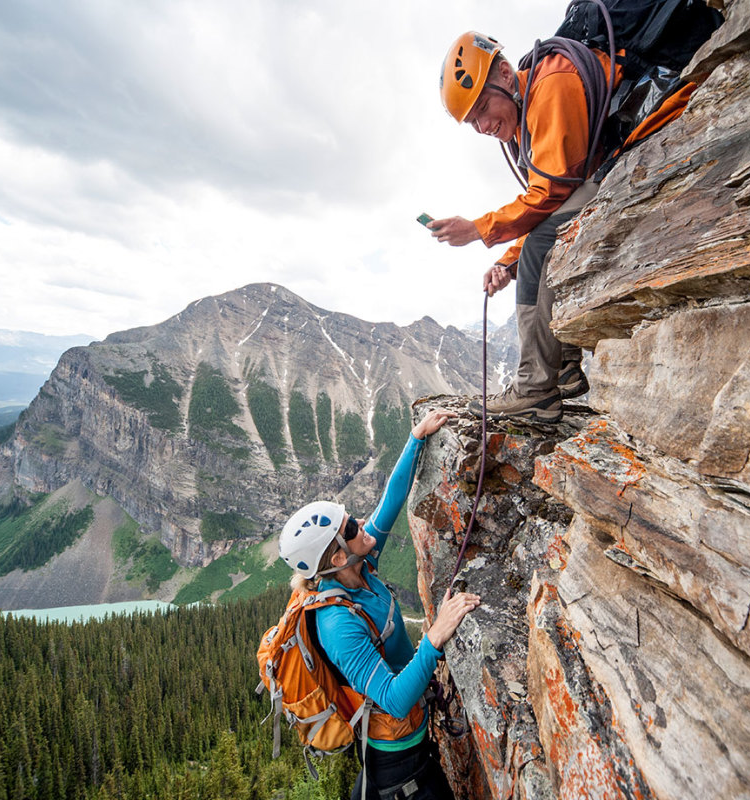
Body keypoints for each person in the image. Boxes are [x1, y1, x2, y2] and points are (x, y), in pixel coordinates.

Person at [429, 30, 692, 421]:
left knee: (540, 248)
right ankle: (565, 367)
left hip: (647, 144)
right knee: (538, 246)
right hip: (614, 165)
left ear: (504, 73)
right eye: (473, 121)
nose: (483, 126)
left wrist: (480, 229)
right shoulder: (526, 113)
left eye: (483, 107)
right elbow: (553, 200)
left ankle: (535, 389)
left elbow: (551, 192)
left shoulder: (551, 83)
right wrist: (507, 263)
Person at [279, 408, 479, 800]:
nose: (360, 524)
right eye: (350, 528)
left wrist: (416, 438)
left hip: (405, 747)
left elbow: (391, 501)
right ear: (337, 558)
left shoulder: (360, 564)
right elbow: (393, 699)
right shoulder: (338, 625)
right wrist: (434, 638)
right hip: (399, 764)